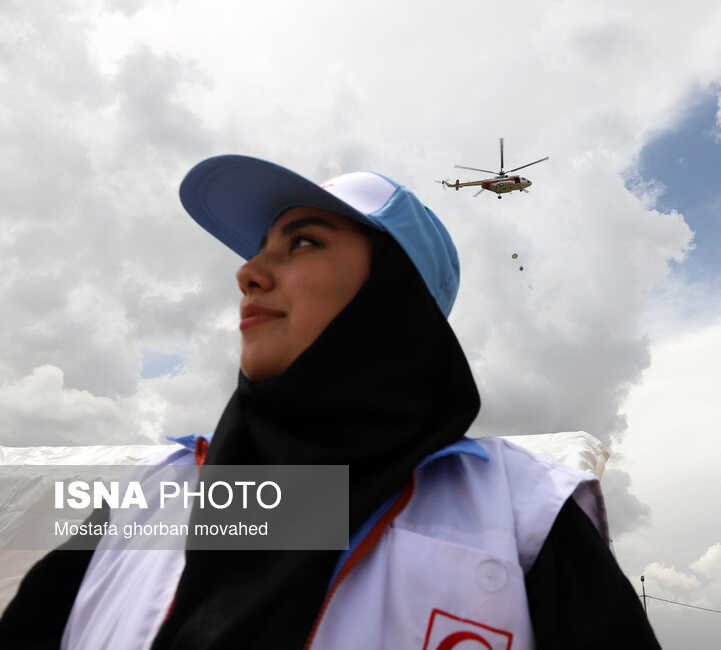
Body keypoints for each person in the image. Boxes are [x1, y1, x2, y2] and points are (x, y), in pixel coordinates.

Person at [0, 156, 660, 649]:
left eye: (303, 241)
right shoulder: (147, 499)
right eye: (260, 249)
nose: (247, 273)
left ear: (392, 299)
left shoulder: (524, 517)